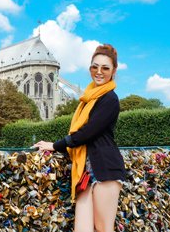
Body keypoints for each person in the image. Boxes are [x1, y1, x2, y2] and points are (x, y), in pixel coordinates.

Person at [34, 44, 126, 232]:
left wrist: (55, 145)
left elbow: (86, 133)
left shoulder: (109, 99)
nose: (99, 72)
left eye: (105, 68)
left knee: (103, 229)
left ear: (114, 71)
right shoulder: (87, 98)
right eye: (95, 66)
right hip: (84, 170)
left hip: (105, 171)